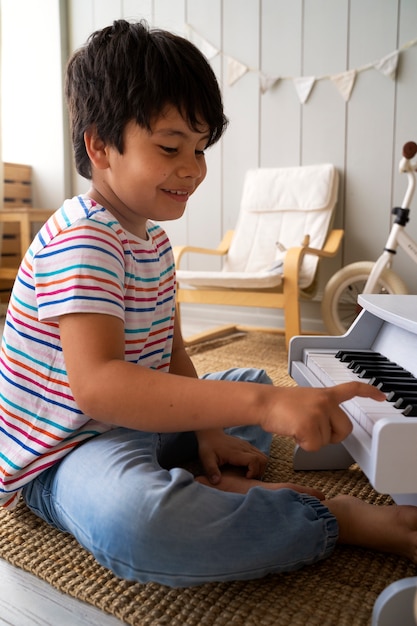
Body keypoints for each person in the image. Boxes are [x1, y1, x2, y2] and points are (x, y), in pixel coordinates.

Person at [0, 19, 416, 588]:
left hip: (134, 427)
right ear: (99, 145)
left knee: (245, 382)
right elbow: (100, 387)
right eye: (171, 147)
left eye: (200, 148)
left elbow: (170, 349)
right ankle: (327, 519)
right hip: (68, 449)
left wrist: (206, 431)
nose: (194, 168)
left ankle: (202, 469)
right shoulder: (82, 238)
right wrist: (263, 407)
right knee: (143, 524)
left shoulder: (151, 239)